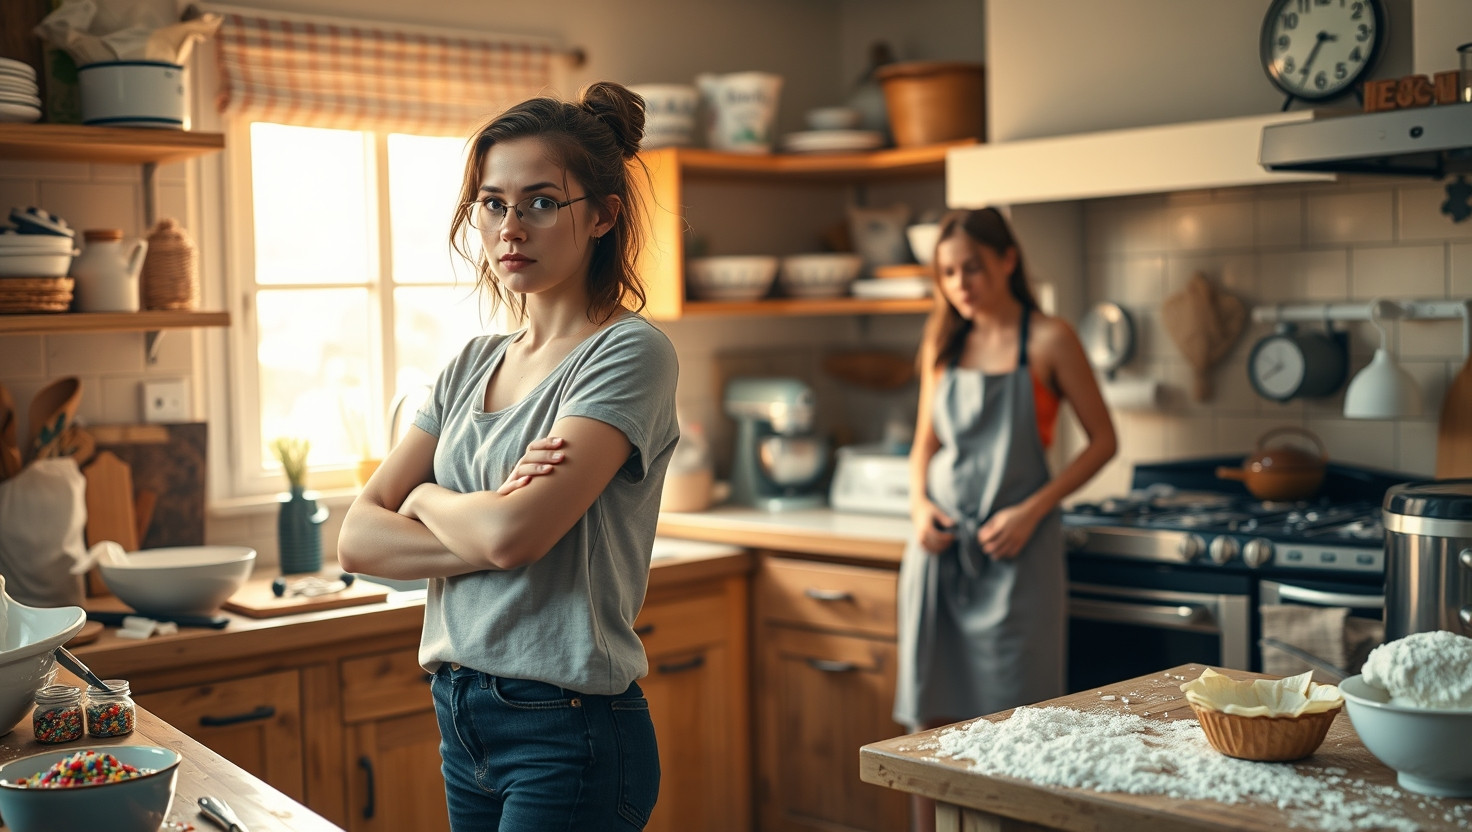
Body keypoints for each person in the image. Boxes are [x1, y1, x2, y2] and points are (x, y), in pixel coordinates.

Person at [337, 81, 679, 832]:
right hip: (462, 717)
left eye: (540, 202)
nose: (511, 227)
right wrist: (484, 518)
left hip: (571, 728)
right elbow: (357, 538)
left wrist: (424, 500)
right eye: (493, 203)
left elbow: (513, 537)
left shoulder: (628, 353)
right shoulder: (468, 364)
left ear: (602, 215)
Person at [892, 207, 1116, 832]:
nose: (960, 284)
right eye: (947, 273)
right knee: (927, 727)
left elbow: (1103, 441)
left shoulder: (1050, 340)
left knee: (1019, 724)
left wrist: (1031, 510)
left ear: (1008, 260)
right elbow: (923, 449)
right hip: (938, 555)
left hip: (1018, 559)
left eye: (972, 267)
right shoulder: (943, 341)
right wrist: (919, 509)